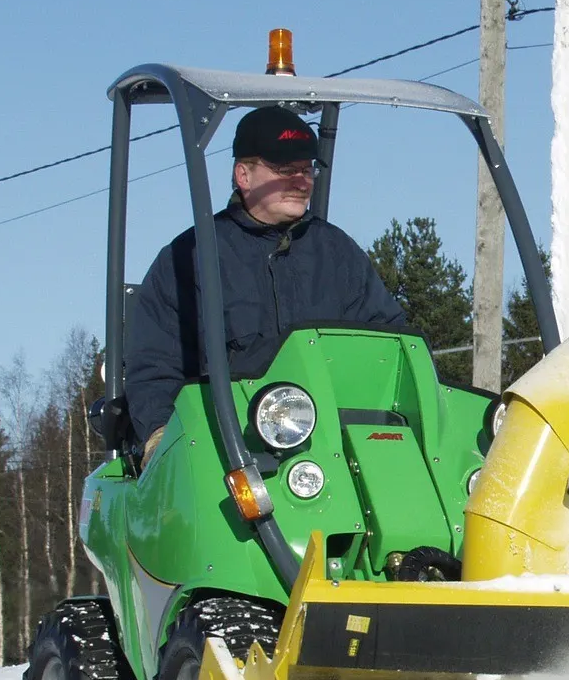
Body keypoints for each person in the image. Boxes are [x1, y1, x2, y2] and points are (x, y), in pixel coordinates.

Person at [125, 106, 405, 458]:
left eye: (306, 170)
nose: (301, 182)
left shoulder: (337, 253)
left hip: (333, 448)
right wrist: (162, 439)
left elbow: (389, 343)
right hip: (227, 449)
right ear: (243, 175)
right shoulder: (190, 258)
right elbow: (155, 365)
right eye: (285, 171)